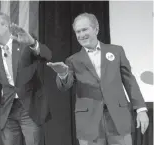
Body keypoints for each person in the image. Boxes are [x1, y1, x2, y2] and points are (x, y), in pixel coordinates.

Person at [47, 13, 149, 145]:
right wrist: (62, 74)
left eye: (84, 29)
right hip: (89, 122)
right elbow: (65, 86)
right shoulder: (72, 60)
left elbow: (129, 81)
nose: (81, 34)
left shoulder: (116, 51)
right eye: (78, 31)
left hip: (117, 118)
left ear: (96, 29)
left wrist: (141, 109)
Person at [0, 12, 52, 145]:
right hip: (7, 111)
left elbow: (48, 56)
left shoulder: (25, 43)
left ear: (5, 25)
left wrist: (33, 43)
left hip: (29, 108)